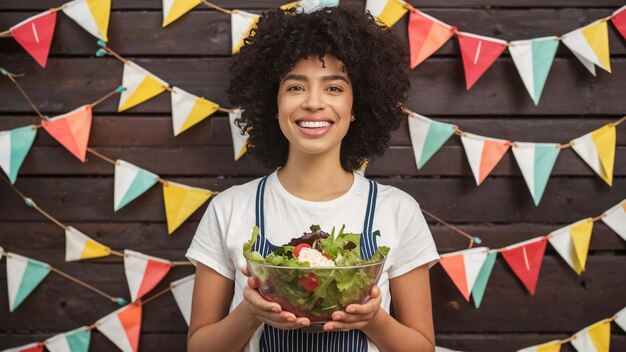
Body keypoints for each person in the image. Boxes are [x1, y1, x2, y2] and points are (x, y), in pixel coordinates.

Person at [186, 4, 439, 352]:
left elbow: (423, 347)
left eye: (334, 88)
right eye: (295, 87)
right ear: (273, 105)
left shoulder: (397, 210)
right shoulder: (229, 208)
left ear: (356, 107)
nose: (313, 103)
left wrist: (373, 319)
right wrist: (251, 311)